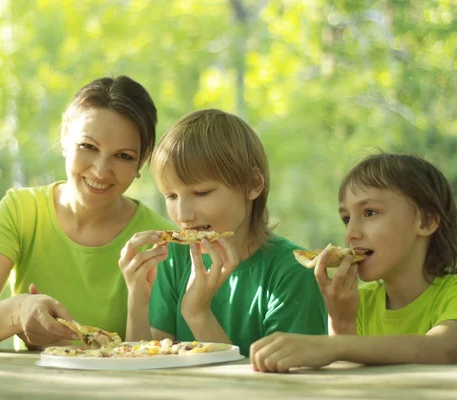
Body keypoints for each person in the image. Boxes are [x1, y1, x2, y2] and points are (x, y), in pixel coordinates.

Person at [0, 76, 176, 350]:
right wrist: (18, 312)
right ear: (66, 134)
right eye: (88, 147)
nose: (101, 171)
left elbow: (164, 355)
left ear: (143, 158)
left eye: (123, 156)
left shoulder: (160, 240)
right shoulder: (21, 211)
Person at [250, 153, 457, 372]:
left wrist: (333, 345)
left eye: (369, 213)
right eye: (346, 219)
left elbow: (440, 349)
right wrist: (341, 322)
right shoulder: (362, 302)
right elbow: (353, 385)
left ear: (426, 222)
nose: (350, 233)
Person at [118, 109, 327, 356]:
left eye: (201, 193)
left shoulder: (293, 271)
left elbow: (282, 389)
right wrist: (138, 301)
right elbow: (144, 371)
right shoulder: (174, 259)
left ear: (253, 184)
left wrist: (198, 314)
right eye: (171, 196)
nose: (183, 215)